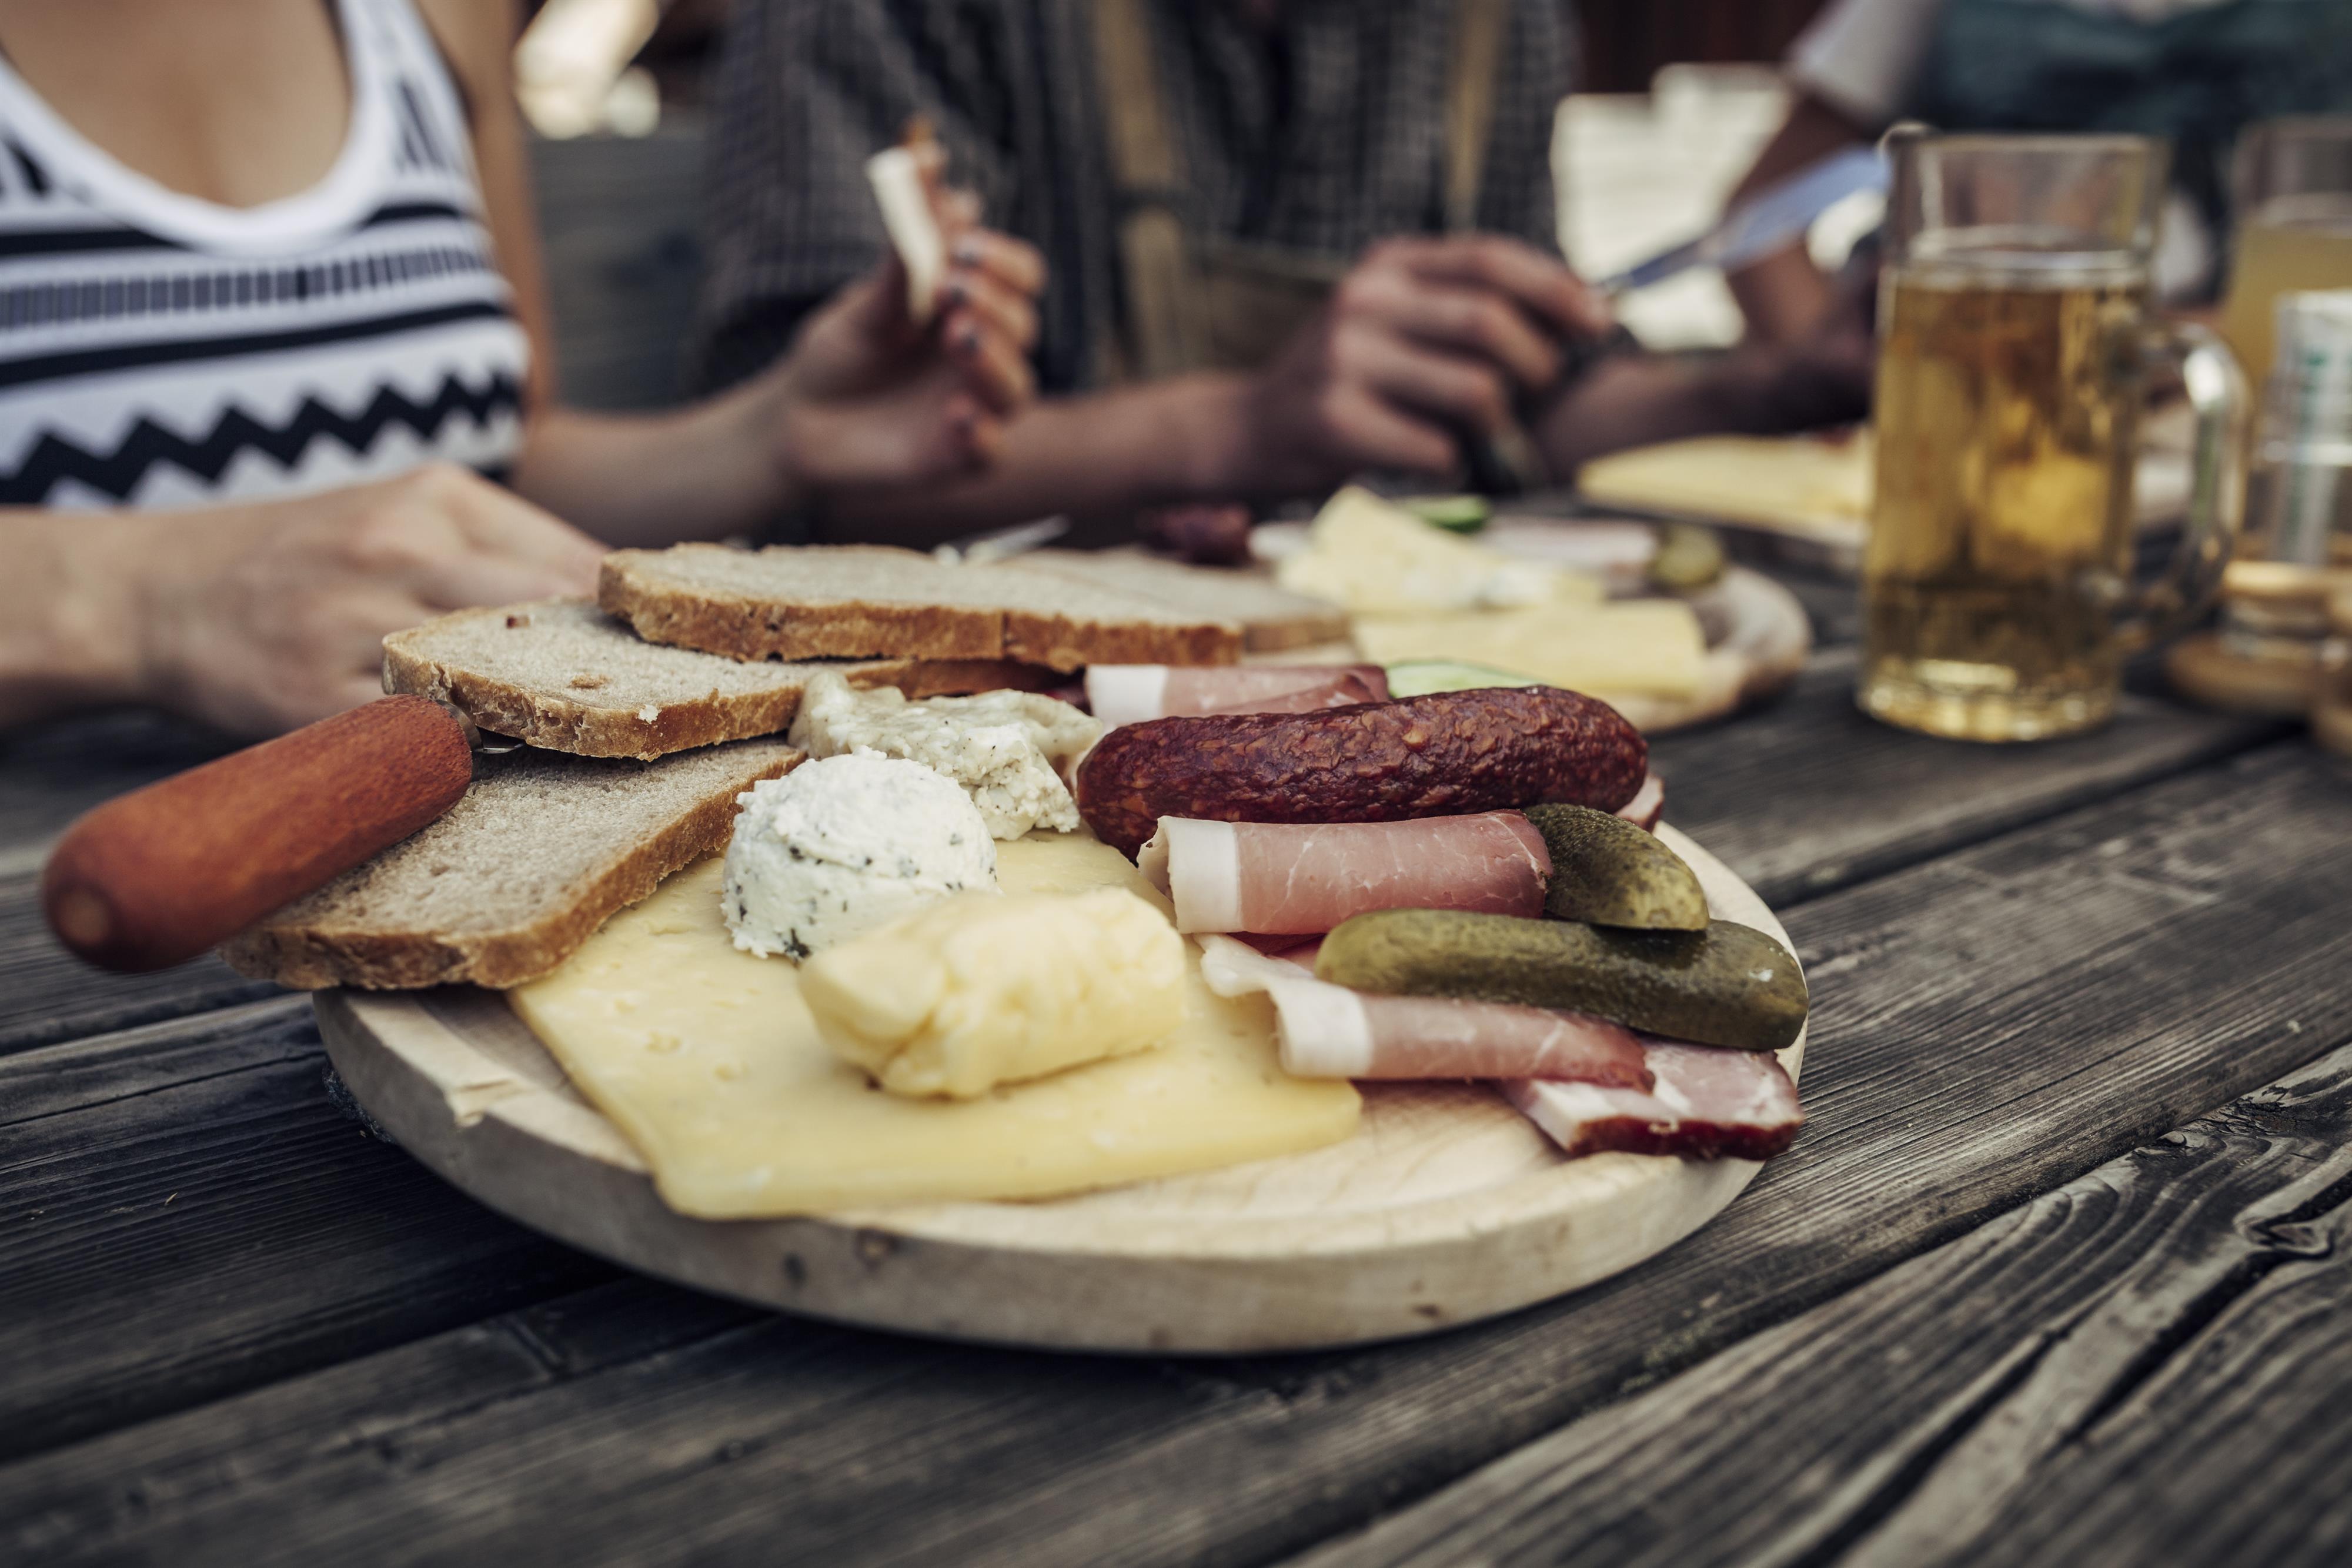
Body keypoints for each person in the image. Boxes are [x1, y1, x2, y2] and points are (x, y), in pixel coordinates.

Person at [0, 0, 1045, 738]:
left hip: (418, 805)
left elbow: (501, 452)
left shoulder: (440, 18)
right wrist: (151, 603)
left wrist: (775, 433)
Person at [696, 0, 1871, 547]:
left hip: (1392, 675)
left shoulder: (1493, 25)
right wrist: (1242, 423)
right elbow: (806, 458)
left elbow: (1527, 395)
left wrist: (1774, 385)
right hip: (999, 704)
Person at [1726, 0, 2352, 345]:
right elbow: (1760, 217)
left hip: (2243, 431)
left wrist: (2173, 350)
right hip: (1969, 394)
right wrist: (1837, 379)